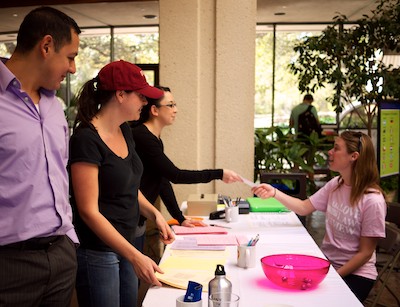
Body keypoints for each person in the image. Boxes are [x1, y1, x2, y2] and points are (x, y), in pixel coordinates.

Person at [69, 60, 175, 307]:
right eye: (140, 96)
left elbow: (129, 186)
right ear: (120, 95)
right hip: (99, 251)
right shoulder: (86, 140)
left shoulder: (125, 131)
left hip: (129, 244)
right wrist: (135, 256)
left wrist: (155, 215)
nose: (145, 102)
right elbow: (88, 211)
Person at [0, 7, 81, 306]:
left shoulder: (55, 106)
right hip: (9, 267)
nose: (73, 68)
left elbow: (59, 176)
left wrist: (68, 243)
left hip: (60, 258)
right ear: (46, 46)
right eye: (70, 57)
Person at [251, 131, 386, 302]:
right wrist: (274, 192)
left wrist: (334, 276)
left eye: (336, 148)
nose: (330, 152)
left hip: (356, 274)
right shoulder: (336, 184)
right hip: (327, 266)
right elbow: (303, 207)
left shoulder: (373, 200)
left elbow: (365, 253)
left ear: (354, 156)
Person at [131, 86, 242, 251]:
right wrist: (219, 173)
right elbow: (176, 175)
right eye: (170, 105)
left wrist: (180, 218)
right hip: (129, 218)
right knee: (132, 274)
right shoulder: (142, 137)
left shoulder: (153, 138)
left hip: (138, 218)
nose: (175, 110)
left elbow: (162, 180)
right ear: (154, 110)